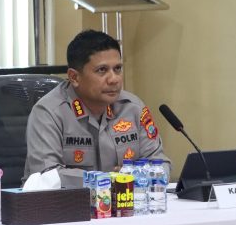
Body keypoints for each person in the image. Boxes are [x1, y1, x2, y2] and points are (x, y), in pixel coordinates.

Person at [24, 29, 169, 180]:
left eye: (117, 69)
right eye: (102, 70)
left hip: (125, 195)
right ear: (74, 77)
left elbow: (160, 164)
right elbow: (47, 176)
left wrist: (134, 175)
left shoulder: (133, 108)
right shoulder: (49, 113)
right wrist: (109, 180)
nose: (114, 79)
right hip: (69, 196)